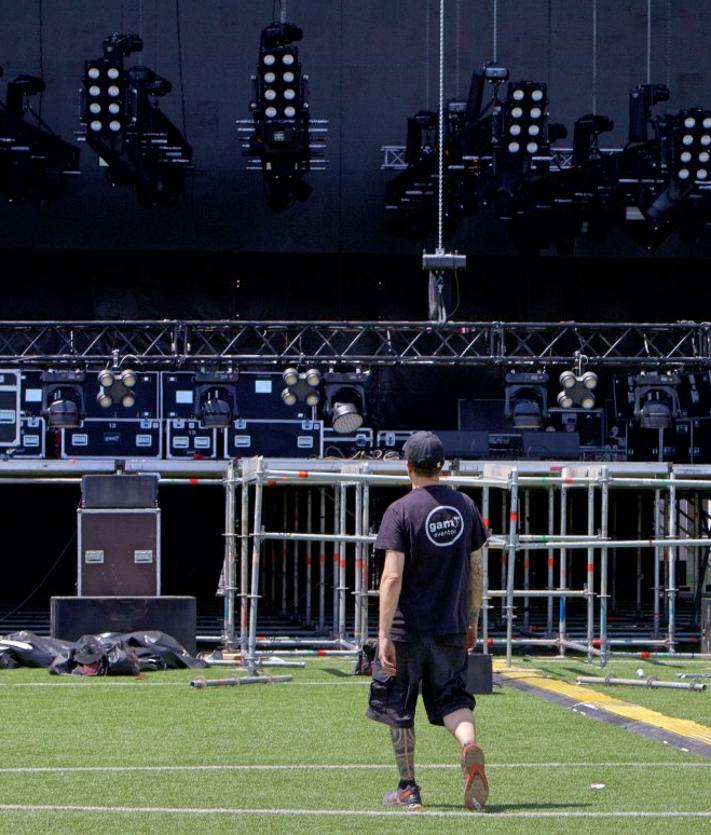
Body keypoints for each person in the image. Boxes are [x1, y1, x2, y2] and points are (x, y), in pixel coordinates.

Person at [366, 430, 488, 811]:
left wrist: (382, 634)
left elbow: (391, 577)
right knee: (452, 699)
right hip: (450, 626)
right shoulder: (466, 506)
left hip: (407, 630)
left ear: (408, 467)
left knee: (398, 706)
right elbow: (477, 571)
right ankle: (469, 746)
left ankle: (408, 789)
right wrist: (472, 619)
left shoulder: (399, 511)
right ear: (442, 466)